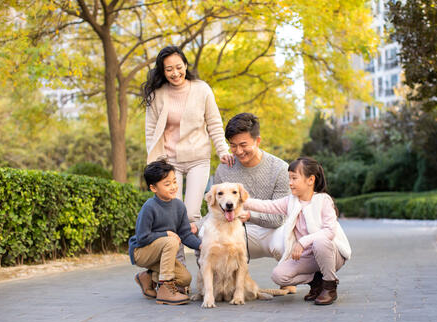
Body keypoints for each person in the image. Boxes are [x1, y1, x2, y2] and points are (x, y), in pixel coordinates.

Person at [196, 112, 295, 292]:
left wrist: (249, 216)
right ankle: (214, 285)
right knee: (204, 232)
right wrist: (195, 226)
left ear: (257, 141)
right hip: (235, 230)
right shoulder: (225, 168)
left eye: (243, 145)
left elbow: (280, 218)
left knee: (285, 240)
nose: (239, 151)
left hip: (268, 230)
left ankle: (287, 277)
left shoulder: (280, 168)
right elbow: (215, 212)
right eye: (233, 146)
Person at [141, 45, 233, 227]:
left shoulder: (202, 90)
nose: (175, 73)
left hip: (197, 159)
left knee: (191, 214)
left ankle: (202, 254)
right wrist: (156, 163)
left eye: (178, 67)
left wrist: (223, 150)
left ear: (185, 65)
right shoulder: (157, 95)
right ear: (163, 71)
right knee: (171, 215)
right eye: (169, 69)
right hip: (169, 161)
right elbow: (150, 130)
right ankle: (177, 257)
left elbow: (214, 123)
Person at [243, 156, 351, 305]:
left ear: (310, 180)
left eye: (294, 178)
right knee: (279, 276)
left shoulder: (323, 200)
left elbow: (329, 232)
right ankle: (316, 281)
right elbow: (267, 206)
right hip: (309, 257)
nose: (290, 183)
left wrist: (301, 242)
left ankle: (329, 286)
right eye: (289, 178)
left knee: (320, 242)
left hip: (332, 253)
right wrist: (241, 200)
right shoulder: (290, 201)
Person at [128, 159, 201, 305]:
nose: (173, 186)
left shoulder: (179, 206)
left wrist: (201, 245)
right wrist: (166, 234)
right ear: (153, 188)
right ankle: (165, 288)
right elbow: (142, 238)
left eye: (174, 181)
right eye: (167, 184)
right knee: (172, 240)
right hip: (142, 252)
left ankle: (147, 277)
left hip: (162, 253)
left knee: (185, 279)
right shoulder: (149, 207)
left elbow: (185, 234)